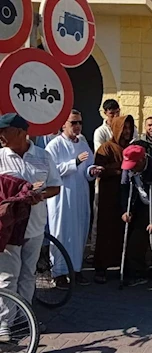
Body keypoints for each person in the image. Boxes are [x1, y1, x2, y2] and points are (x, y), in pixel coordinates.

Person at [0, 113, 62, 335]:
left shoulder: (43, 157)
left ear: (19, 132)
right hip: (9, 228)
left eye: (4, 131)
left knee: (28, 274)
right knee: (8, 276)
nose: (1, 136)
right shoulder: (0, 157)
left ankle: (24, 319)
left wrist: (40, 195)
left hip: (35, 226)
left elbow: (55, 186)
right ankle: (4, 324)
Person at [45, 110, 103, 288]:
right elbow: (51, 171)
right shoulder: (54, 145)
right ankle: (59, 273)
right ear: (64, 124)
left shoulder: (83, 144)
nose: (77, 126)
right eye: (73, 123)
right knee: (61, 232)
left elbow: (88, 167)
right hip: (62, 197)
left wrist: (92, 170)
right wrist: (74, 163)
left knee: (79, 231)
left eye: (79, 123)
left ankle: (76, 270)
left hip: (80, 194)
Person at [93, 115, 135, 284]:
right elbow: (100, 169)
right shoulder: (106, 148)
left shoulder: (131, 148)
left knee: (123, 231)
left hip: (126, 196)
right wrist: (120, 169)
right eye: (124, 128)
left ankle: (123, 266)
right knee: (106, 231)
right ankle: (101, 268)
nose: (126, 132)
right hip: (109, 196)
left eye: (129, 128)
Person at [120, 145, 152, 286]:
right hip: (141, 203)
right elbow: (124, 188)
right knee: (137, 238)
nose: (130, 169)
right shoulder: (127, 168)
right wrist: (125, 211)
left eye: (133, 165)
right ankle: (137, 272)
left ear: (141, 160)